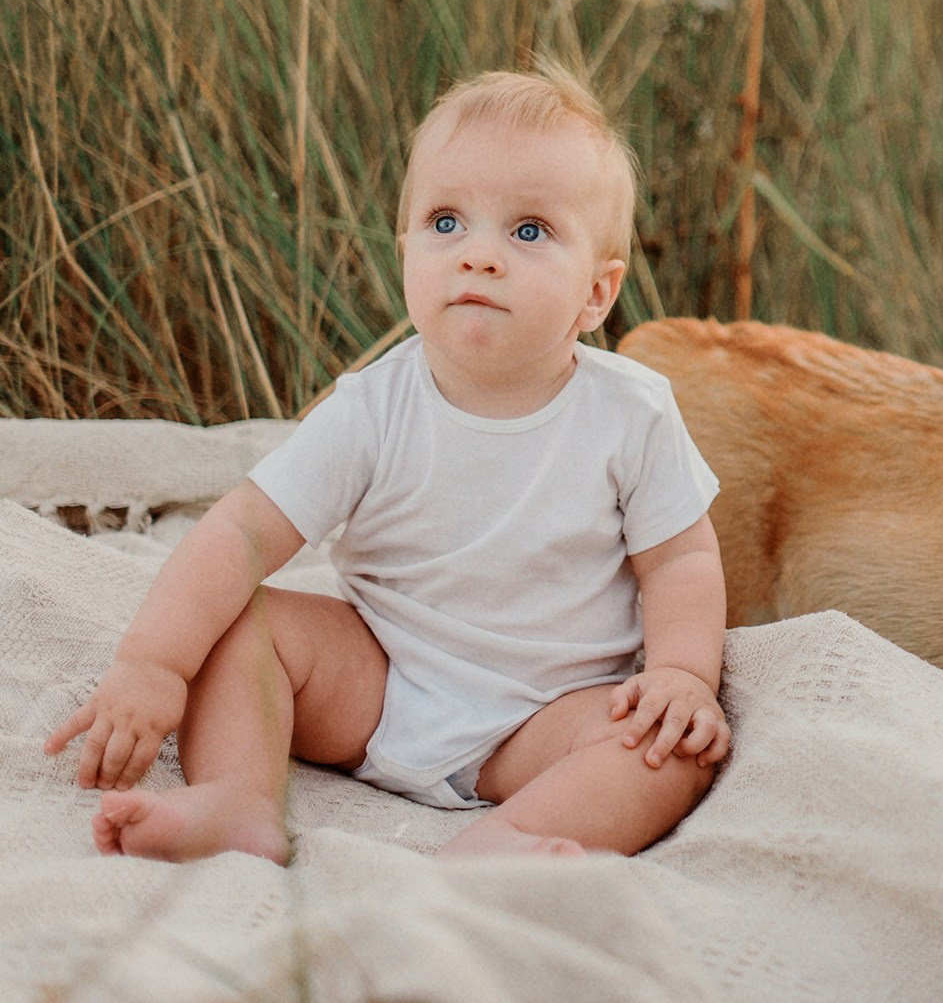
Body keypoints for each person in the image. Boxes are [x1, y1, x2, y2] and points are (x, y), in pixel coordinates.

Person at [45, 65, 728, 861]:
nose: (478, 255)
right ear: (406, 253)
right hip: (378, 685)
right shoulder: (371, 408)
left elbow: (680, 559)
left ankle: (507, 840)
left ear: (597, 294)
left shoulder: (633, 413)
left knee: (673, 748)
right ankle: (238, 797)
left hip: (547, 717)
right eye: (446, 222)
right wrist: (153, 663)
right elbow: (240, 533)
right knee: (242, 620)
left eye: (529, 231)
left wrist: (683, 673)